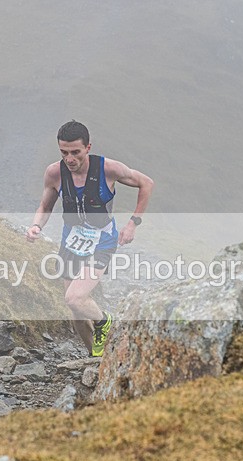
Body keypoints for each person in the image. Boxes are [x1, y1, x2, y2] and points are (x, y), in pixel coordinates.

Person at [26, 121, 154, 357]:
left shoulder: (108, 169)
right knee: (76, 312)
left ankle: (106, 321)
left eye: (75, 152)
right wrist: (36, 226)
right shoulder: (54, 173)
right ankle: (96, 358)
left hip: (102, 241)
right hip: (71, 241)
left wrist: (133, 223)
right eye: (64, 152)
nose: (70, 159)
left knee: (75, 298)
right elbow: (45, 205)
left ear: (88, 148)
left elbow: (146, 183)